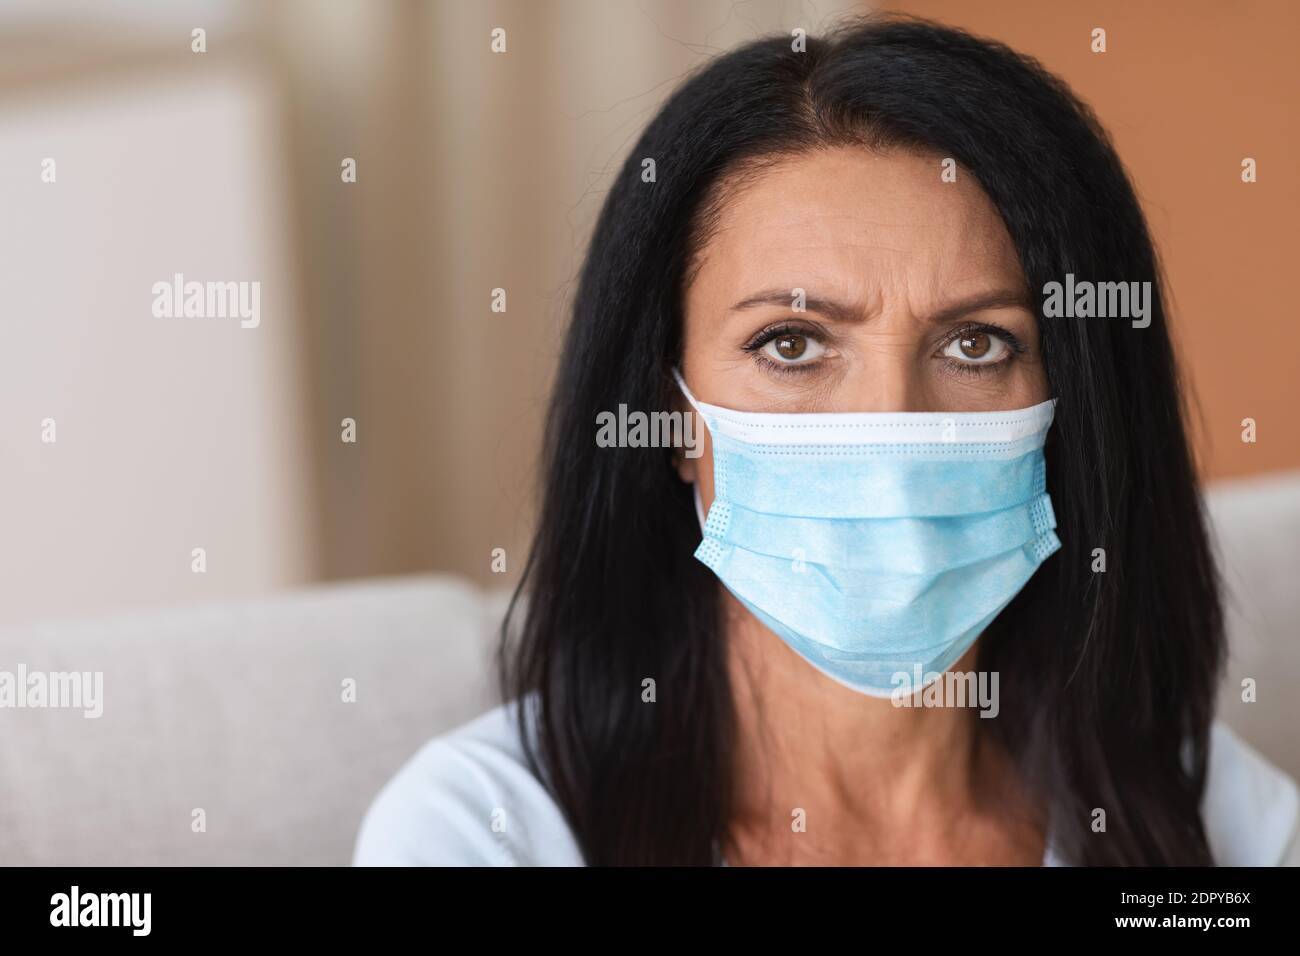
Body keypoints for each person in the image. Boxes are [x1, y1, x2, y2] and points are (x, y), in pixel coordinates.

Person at [354, 14, 1299, 866]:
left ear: (1075, 402)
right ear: (670, 411)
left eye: (978, 344)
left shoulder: (1199, 818)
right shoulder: (483, 833)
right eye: (792, 344)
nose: (890, 432)